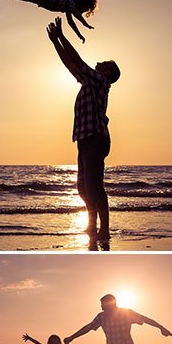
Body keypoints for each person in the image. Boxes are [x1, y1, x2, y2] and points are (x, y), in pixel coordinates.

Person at [46, 17, 119, 247]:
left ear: (107, 73)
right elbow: (71, 65)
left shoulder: (100, 82)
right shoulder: (89, 83)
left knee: (95, 186)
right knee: (82, 187)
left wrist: (62, 36)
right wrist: (55, 41)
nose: (98, 63)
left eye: (103, 63)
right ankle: (92, 224)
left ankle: (103, 229)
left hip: (96, 139)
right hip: (84, 140)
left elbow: (78, 60)